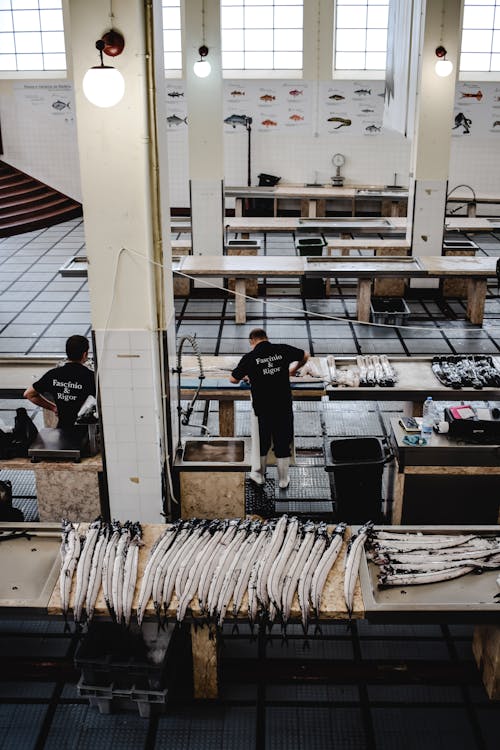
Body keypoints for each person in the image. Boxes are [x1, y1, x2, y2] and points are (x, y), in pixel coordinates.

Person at [230, 328, 309, 489]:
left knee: (262, 442)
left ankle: (259, 476)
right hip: (283, 404)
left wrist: (249, 375)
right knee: (282, 442)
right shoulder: (282, 349)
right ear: (266, 338)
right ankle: (283, 480)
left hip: (262, 407)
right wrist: (291, 371)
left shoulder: (250, 357)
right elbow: (305, 355)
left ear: (252, 341)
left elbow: (232, 379)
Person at [23, 335, 95, 431]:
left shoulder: (53, 374)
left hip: (62, 431)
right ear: (85, 354)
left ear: (67, 352)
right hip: (84, 432)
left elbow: (29, 394)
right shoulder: (90, 376)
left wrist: (53, 408)